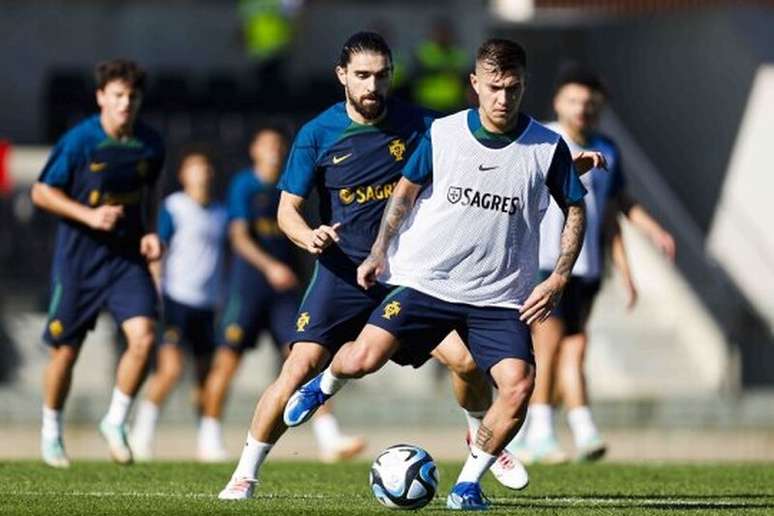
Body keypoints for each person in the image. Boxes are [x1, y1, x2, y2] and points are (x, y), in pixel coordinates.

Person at [218, 32, 536, 501]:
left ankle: (480, 435)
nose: (372, 86)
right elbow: (288, 209)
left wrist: (564, 162)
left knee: (467, 362)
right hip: (342, 273)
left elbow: (493, 143)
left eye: (381, 76)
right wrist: (308, 235)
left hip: (407, 276)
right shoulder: (317, 134)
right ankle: (245, 473)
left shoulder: (422, 124)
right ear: (342, 76)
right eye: (362, 76)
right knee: (299, 366)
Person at [283, 38, 598, 510]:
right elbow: (405, 193)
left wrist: (558, 278)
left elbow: (575, 207)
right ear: (474, 84)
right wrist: (378, 254)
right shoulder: (445, 133)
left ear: (524, 86)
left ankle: (468, 484)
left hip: (499, 296)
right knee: (362, 359)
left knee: (518, 385)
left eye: (512, 88)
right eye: (493, 87)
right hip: (427, 281)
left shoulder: (547, 147)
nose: (502, 99)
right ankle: (324, 384)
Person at [509, 64, 675, 464]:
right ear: (558, 102)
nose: (582, 109)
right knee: (547, 348)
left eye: (590, 102)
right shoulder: (541, 142)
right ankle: (541, 434)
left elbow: (614, 209)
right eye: (574, 100)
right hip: (546, 264)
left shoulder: (608, 150)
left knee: (576, 348)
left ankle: (571, 431)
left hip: (588, 269)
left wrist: (648, 238)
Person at [198, 127, 366, 463]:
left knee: (305, 361)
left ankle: (329, 438)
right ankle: (209, 435)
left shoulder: (294, 186)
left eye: (278, 145)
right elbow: (239, 237)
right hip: (248, 289)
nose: (274, 151)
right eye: (267, 145)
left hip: (285, 293)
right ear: (254, 151)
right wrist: (269, 267)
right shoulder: (245, 185)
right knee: (228, 362)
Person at [31, 59, 165, 467]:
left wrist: (150, 231)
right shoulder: (79, 141)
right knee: (65, 352)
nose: (125, 104)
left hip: (125, 259)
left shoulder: (150, 143)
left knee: (143, 338)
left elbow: (148, 196)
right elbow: (41, 192)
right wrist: (89, 216)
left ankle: (115, 421)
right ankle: (51, 431)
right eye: (118, 96)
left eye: (132, 97)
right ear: (101, 98)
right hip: (79, 261)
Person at [129, 151, 228, 461]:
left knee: (206, 377)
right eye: (196, 167)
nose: (203, 173)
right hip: (175, 300)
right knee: (170, 370)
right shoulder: (174, 207)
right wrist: (156, 292)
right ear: (184, 175)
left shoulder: (221, 213)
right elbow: (159, 249)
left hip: (207, 305)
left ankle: (208, 441)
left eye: (207, 167)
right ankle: (140, 435)